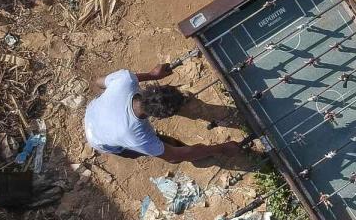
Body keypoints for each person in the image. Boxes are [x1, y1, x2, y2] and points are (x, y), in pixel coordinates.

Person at [84, 64, 240, 163]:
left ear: (152, 88)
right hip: (98, 139)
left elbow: (99, 82)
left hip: (92, 111)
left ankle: (198, 153)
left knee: (161, 148)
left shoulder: (125, 80)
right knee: (170, 149)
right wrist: (219, 148)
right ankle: (199, 158)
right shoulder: (137, 136)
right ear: (160, 117)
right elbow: (174, 155)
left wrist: (152, 75)